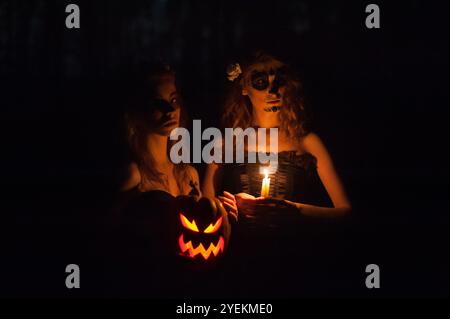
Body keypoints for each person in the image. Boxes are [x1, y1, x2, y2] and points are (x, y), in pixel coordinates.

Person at [202, 51, 351, 221]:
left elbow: (345, 212)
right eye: (260, 82)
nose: (272, 90)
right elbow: (204, 211)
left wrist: (293, 210)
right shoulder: (224, 144)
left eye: (279, 81)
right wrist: (229, 205)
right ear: (244, 87)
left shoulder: (307, 142)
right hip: (241, 245)